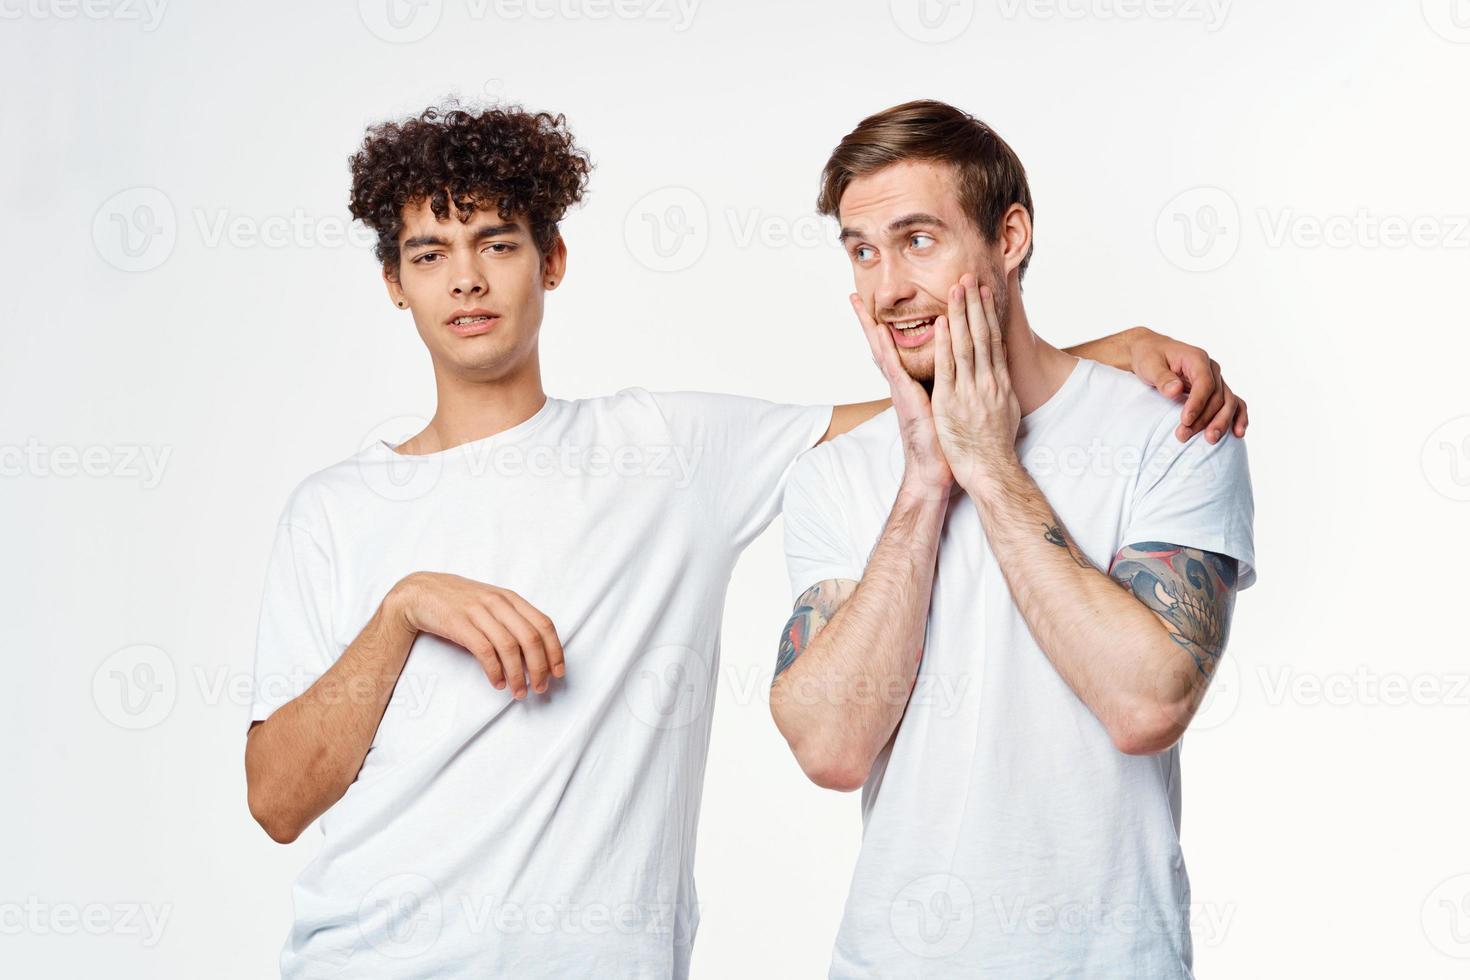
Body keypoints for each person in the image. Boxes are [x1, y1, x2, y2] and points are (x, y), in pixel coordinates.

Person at [244, 101, 1247, 978]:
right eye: (429, 253)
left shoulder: (671, 451)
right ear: (394, 281)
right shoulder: (335, 508)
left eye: (497, 242)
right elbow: (278, 800)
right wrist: (405, 608)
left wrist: (1096, 357)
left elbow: (918, 401)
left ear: (551, 259)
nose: (465, 281)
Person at [772, 99, 1257, 978]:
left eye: (918, 239)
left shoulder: (1171, 429)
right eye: (861, 250)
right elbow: (829, 747)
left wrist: (990, 466)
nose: (886, 288)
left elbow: (1147, 705)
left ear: (1011, 237)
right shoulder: (835, 473)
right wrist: (927, 480)